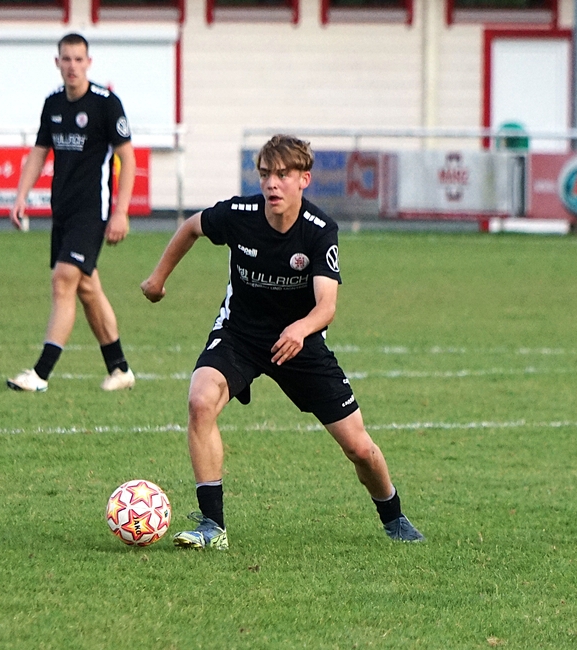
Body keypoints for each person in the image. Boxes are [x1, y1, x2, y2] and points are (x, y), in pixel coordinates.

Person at [140, 134, 424, 550]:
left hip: (300, 344)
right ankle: (212, 525)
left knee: (360, 448)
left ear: (304, 179)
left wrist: (300, 328)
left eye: (283, 175)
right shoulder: (238, 215)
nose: (272, 183)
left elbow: (327, 305)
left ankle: (393, 517)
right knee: (200, 401)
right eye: (265, 175)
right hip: (239, 335)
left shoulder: (319, 231)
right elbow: (191, 228)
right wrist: (157, 279)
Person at [7, 33, 136, 393]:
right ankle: (120, 369)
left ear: (88, 63)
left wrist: (121, 212)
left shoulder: (106, 103)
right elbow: (39, 151)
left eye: (79, 59)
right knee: (87, 287)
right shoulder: (53, 103)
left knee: (63, 279)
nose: (72, 66)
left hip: (92, 210)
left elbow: (128, 158)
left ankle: (40, 374)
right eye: (66, 59)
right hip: (62, 211)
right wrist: (21, 196)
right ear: (57, 62)